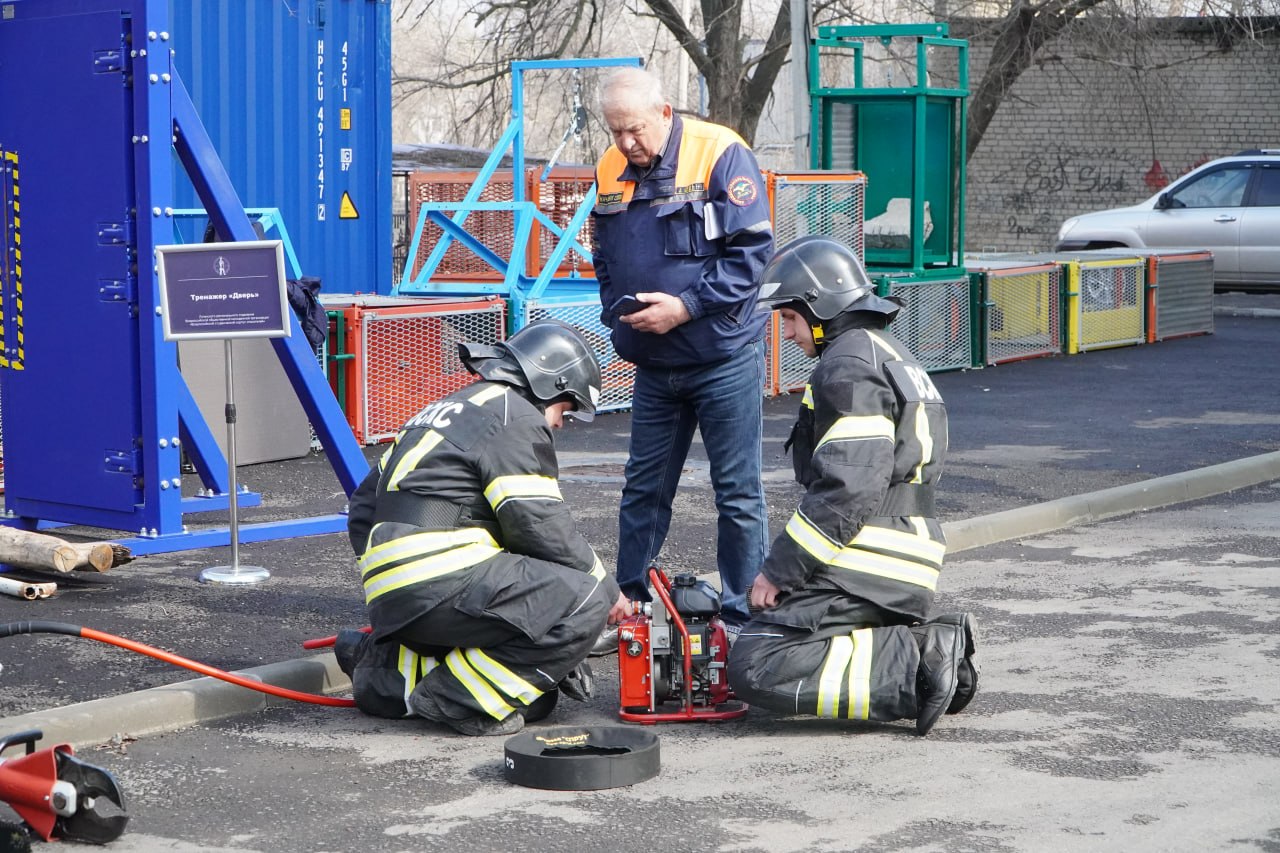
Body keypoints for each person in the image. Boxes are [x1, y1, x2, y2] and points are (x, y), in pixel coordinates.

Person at [726, 236, 978, 736]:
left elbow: (849, 488)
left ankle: (919, 658)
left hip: (870, 557)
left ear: (820, 306)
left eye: (791, 317)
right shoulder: (890, 352)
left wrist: (779, 572)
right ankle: (932, 667)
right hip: (905, 551)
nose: (787, 332)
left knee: (756, 660)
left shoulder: (847, 364)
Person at [336, 320, 630, 736]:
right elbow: (538, 525)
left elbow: (364, 507)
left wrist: (389, 575)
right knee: (585, 599)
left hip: (391, 590)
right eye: (564, 409)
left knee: (536, 697)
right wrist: (606, 590)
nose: (560, 424)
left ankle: (379, 670)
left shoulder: (444, 410)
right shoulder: (515, 414)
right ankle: (454, 701)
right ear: (550, 383)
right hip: (442, 577)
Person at [590, 66, 774, 650]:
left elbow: (752, 254)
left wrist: (686, 307)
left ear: (665, 113)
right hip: (654, 363)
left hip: (722, 356)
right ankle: (630, 610)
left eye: (635, 129)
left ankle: (742, 621)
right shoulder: (609, 168)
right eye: (615, 130)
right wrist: (615, 311)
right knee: (643, 489)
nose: (625, 143)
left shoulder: (720, 153)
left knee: (737, 492)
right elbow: (604, 253)